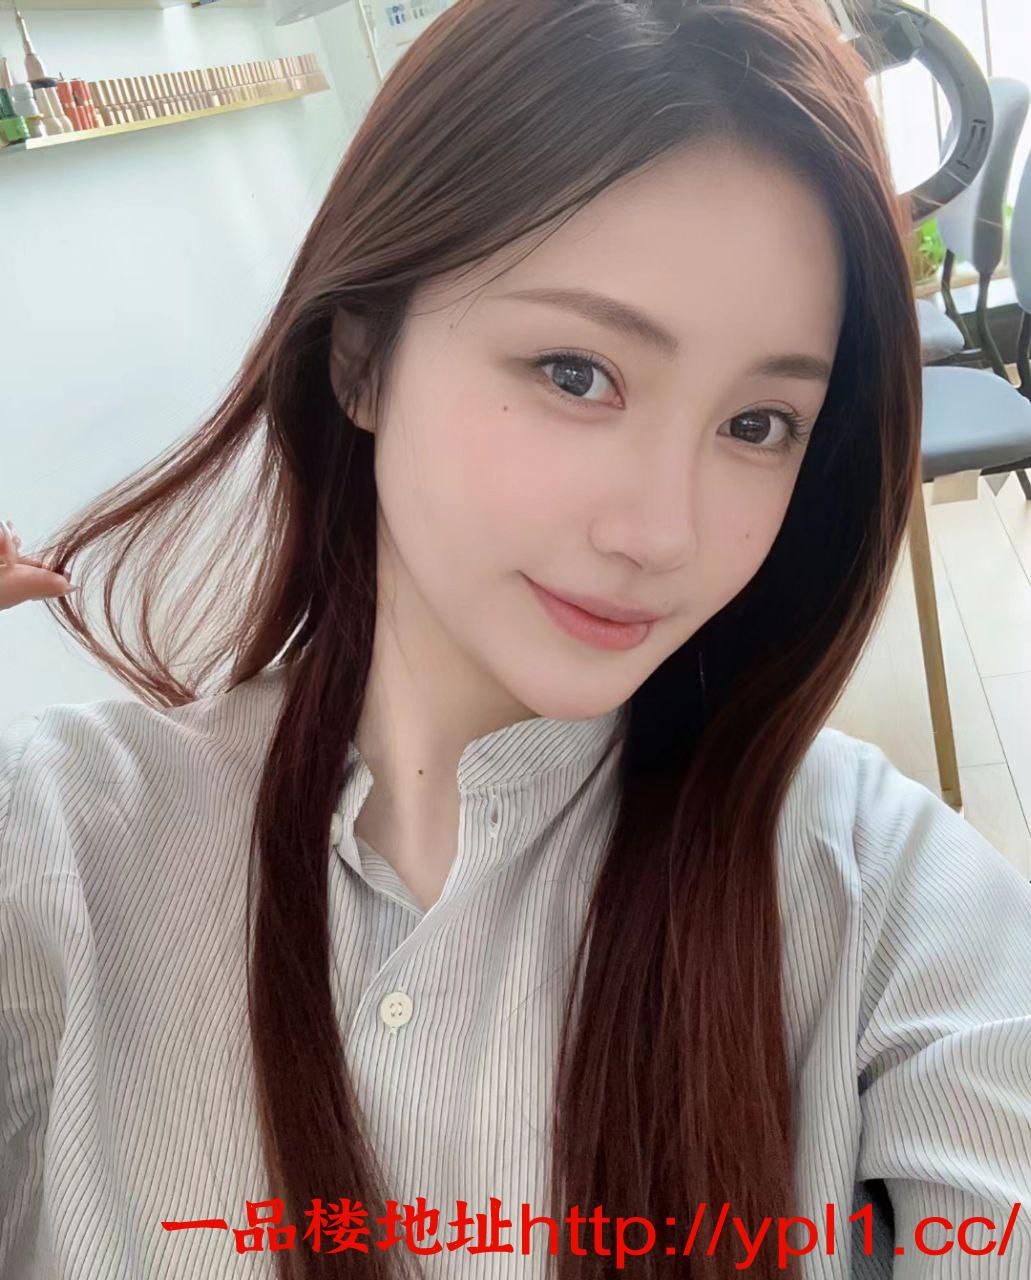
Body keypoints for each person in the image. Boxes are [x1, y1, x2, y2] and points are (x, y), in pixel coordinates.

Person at [2, 0, 1029, 1276]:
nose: (659, 531)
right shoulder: (61, 847)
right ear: (361, 356)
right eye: (575, 373)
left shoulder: (882, 890)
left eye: (756, 424)